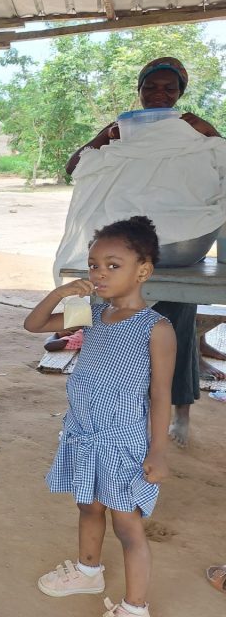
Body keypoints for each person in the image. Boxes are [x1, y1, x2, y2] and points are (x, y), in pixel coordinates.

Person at [65, 57, 224, 447]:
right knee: (113, 331)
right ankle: (109, 412)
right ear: (139, 91)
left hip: (176, 249)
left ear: (180, 93)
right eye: (151, 87)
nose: (159, 94)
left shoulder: (191, 129)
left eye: (169, 88)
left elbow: (220, 165)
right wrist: (103, 136)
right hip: (129, 248)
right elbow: (75, 168)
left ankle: (181, 412)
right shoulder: (123, 132)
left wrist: (211, 132)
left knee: (177, 330)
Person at [24, 216, 174, 617]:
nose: (99, 274)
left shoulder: (156, 328)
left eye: (112, 265)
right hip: (84, 433)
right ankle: (88, 571)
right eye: (93, 265)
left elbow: (161, 394)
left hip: (122, 442)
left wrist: (158, 451)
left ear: (142, 271)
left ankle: (135, 606)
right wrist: (60, 292)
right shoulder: (90, 312)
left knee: (127, 525)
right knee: (88, 506)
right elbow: (33, 324)